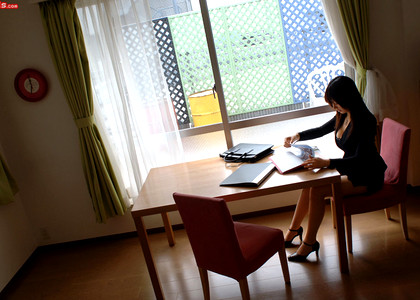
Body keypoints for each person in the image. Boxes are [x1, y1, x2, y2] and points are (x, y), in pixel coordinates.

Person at [283, 76, 387, 262]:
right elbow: (321, 129)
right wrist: (297, 135)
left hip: (367, 174)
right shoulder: (344, 114)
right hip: (351, 169)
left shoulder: (366, 120)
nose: (334, 107)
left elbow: (360, 159)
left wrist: (327, 162)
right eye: (331, 103)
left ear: (348, 99)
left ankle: (309, 243)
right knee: (310, 184)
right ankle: (293, 231)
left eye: (336, 103)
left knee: (317, 190)